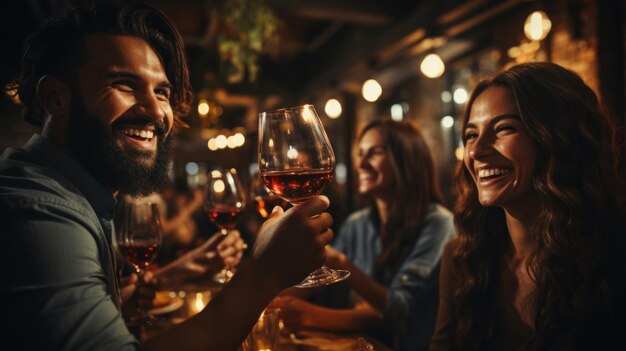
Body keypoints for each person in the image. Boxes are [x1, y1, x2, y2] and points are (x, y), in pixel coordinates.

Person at [0, 2, 334, 350]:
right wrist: (263, 274)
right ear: (56, 97)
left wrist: (145, 289)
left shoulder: (73, 192)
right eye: (124, 84)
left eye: (162, 91)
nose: (155, 110)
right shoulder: (38, 209)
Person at [429, 62, 626, 351]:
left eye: (504, 128)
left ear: (556, 139)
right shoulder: (463, 257)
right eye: (471, 134)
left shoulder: (612, 258)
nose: (476, 150)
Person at [277, 120, 456, 350]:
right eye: (360, 153)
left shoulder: (439, 224)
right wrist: (274, 297)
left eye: (375, 153)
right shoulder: (357, 223)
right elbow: (323, 279)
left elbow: (403, 311)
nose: (360, 163)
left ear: (406, 160)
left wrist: (338, 263)